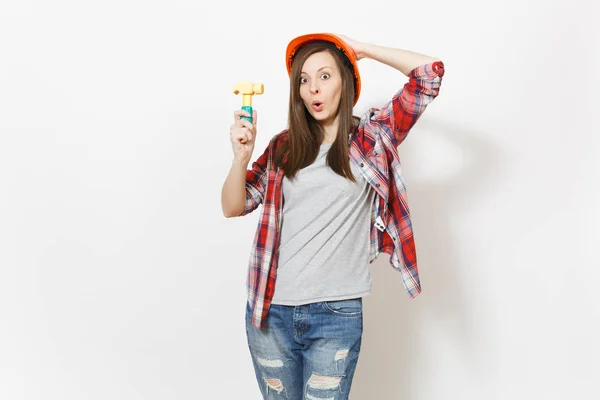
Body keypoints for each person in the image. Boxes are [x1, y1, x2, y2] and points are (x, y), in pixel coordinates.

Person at [221, 32, 445, 400]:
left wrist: (363, 50)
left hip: (336, 314)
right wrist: (240, 158)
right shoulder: (284, 146)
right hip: (270, 311)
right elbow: (233, 205)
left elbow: (428, 76)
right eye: (304, 80)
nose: (313, 89)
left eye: (325, 76)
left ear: (346, 80)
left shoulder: (371, 138)